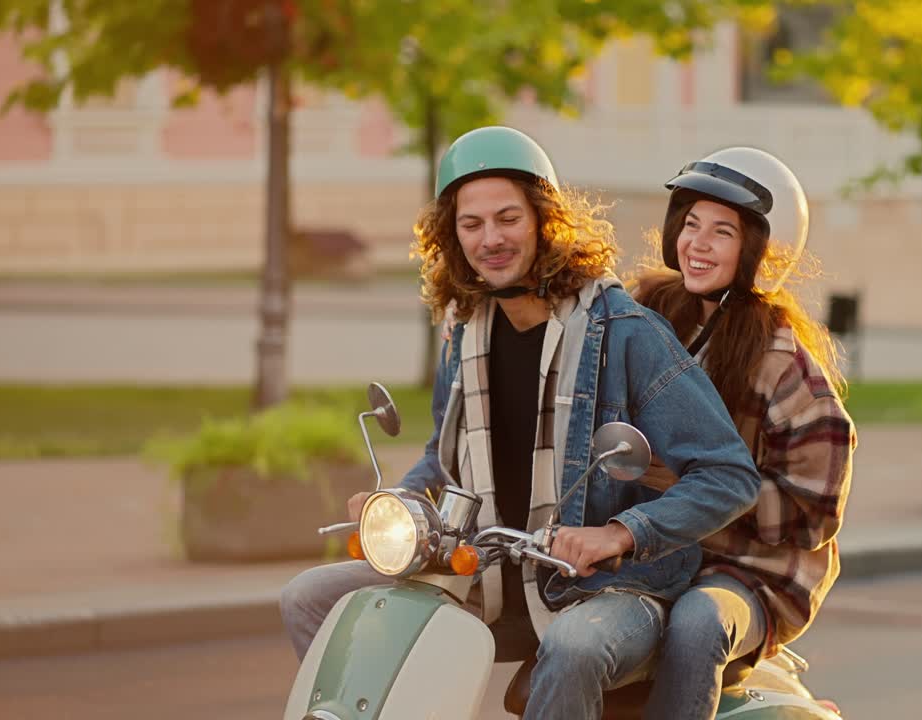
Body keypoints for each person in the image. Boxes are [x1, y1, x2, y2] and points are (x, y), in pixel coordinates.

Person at [279, 126, 761, 720]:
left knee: (573, 644)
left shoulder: (626, 333)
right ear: (450, 236)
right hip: (492, 570)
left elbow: (729, 474)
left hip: (614, 586)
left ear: (543, 221)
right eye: (471, 224)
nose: (492, 239)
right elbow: (448, 455)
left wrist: (619, 533)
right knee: (309, 598)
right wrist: (403, 499)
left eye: (508, 218)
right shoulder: (468, 333)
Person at [629, 147, 856, 720]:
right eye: (691, 223)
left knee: (699, 622)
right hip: (653, 545)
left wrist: (704, 486)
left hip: (749, 571)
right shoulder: (649, 314)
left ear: (759, 250)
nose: (697, 243)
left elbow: (815, 511)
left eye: (722, 232)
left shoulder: (781, 360)